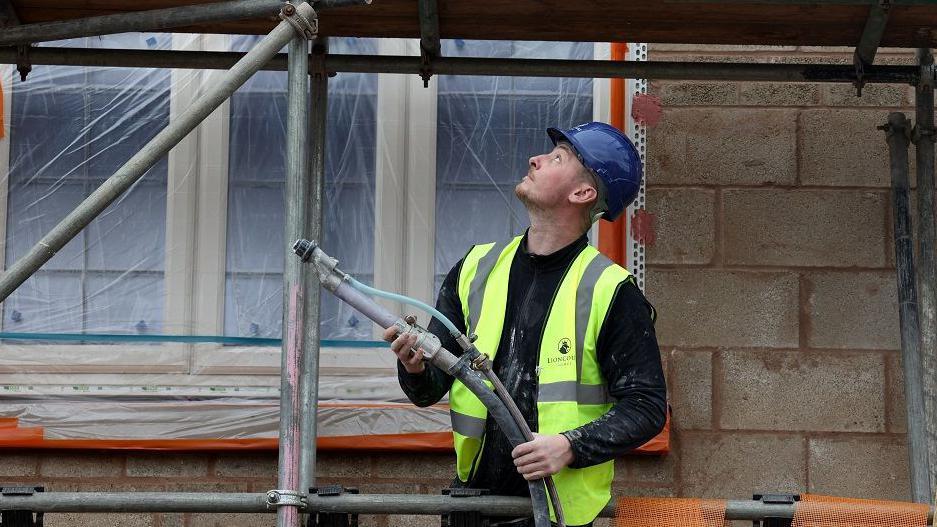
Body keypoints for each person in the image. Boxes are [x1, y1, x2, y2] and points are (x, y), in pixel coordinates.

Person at [384, 122, 667, 527]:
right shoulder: (476, 268)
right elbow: (429, 391)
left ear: (583, 193)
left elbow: (647, 407)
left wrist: (570, 446)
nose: (535, 159)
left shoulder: (611, 291)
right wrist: (413, 366)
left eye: (557, 158)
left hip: (556, 513)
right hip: (473, 507)